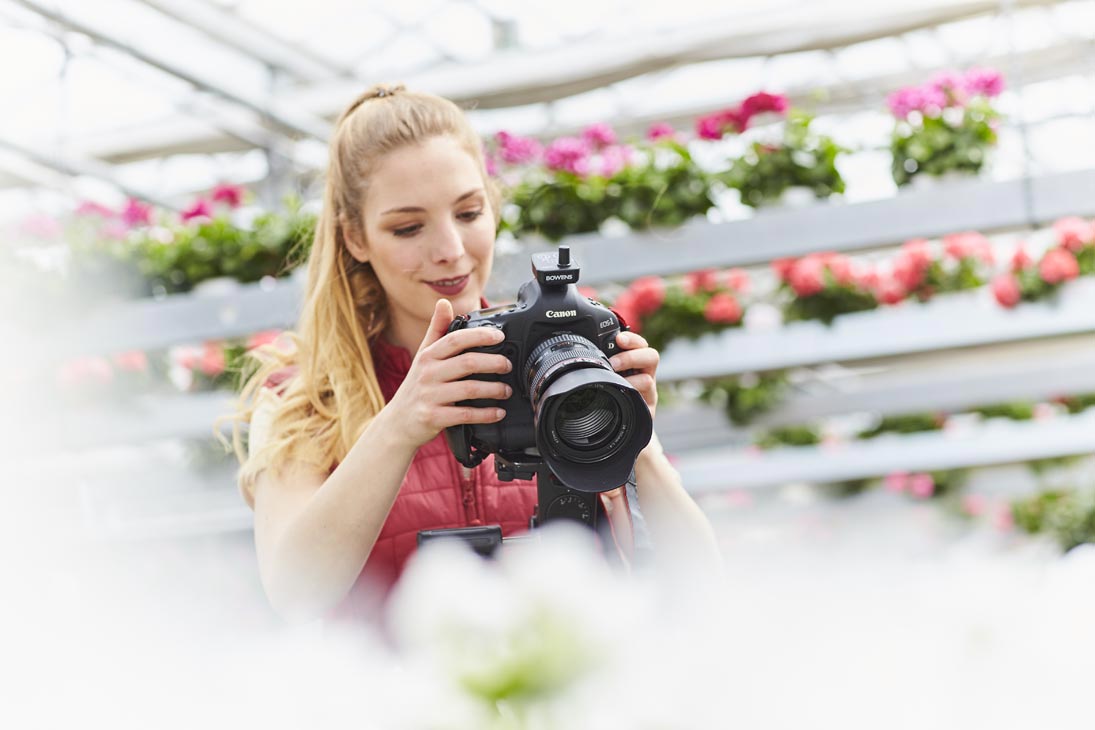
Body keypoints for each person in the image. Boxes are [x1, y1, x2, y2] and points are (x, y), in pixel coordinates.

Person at [227, 83, 721, 625]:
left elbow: (699, 588)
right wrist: (401, 424)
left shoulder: (559, 361)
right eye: (408, 227)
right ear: (356, 238)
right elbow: (295, 591)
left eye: (468, 212)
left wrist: (632, 439)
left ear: (493, 204)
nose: (450, 250)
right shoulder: (302, 398)